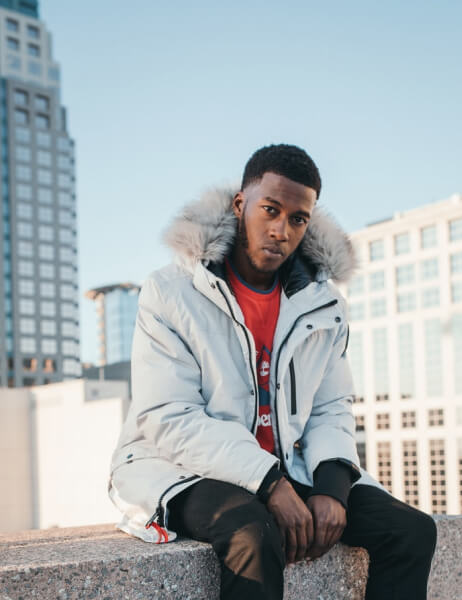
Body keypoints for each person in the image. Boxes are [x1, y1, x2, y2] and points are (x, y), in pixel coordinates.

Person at [109, 144, 437, 599]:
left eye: (297, 219)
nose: (281, 230)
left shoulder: (323, 305)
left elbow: (332, 407)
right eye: (270, 210)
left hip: (290, 466)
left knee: (412, 532)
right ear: (241, 205)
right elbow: (168, 416)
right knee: (253, 534)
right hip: (180, 467)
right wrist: (270, 482)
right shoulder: (171, 292)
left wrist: (331, 488)